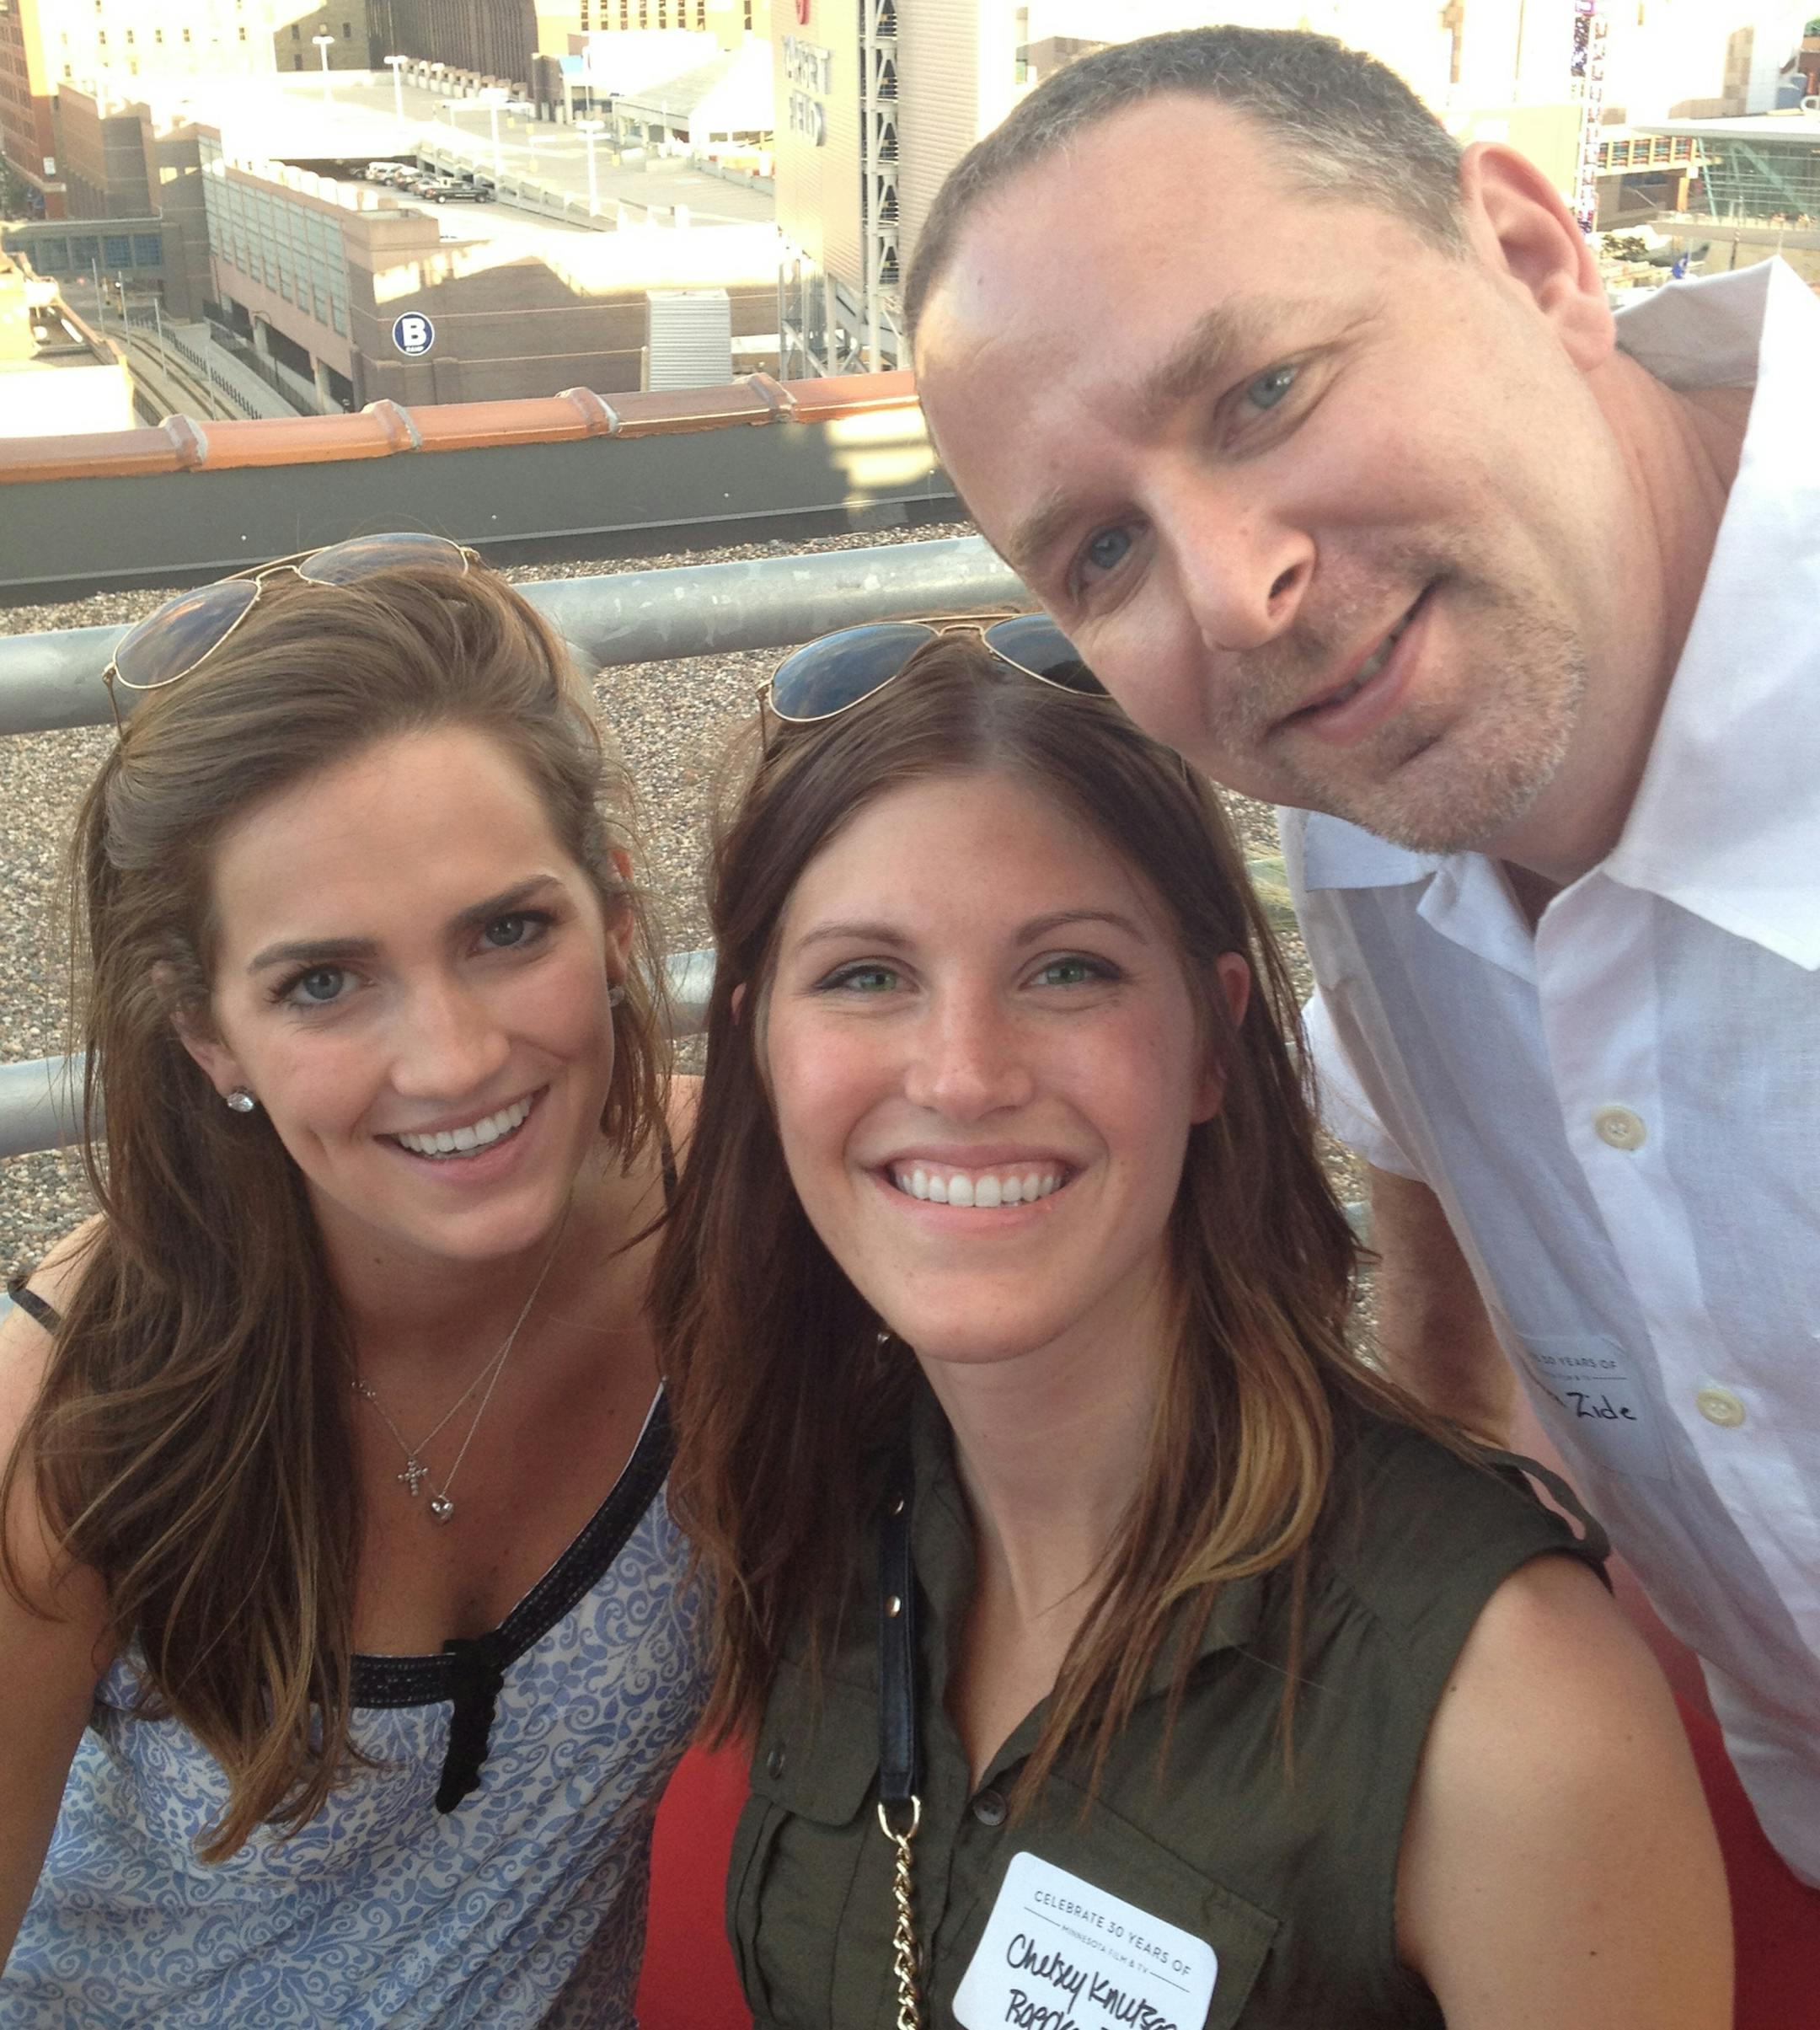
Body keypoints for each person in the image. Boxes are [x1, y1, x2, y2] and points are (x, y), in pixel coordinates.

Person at [904, 25, 1820, 1888]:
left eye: (1261, 392)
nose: (1237, 590)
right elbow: (1418, 1121)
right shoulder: (1372, 772)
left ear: (1539, 258)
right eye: (1100, 553)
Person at [652, 627, 1728, 2028]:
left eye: (1068, 971)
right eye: (866, 975)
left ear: (1214, 1043)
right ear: (756, 1046)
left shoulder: (1506, 1708)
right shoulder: (804, 1517)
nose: (965, 1073)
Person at [0, 538, 705, 2024]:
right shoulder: (67, 1415)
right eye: (323, 981)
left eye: (508, 932)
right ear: (208, 1038)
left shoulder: (747, 1215)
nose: (450, 1059)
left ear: (615, 920)